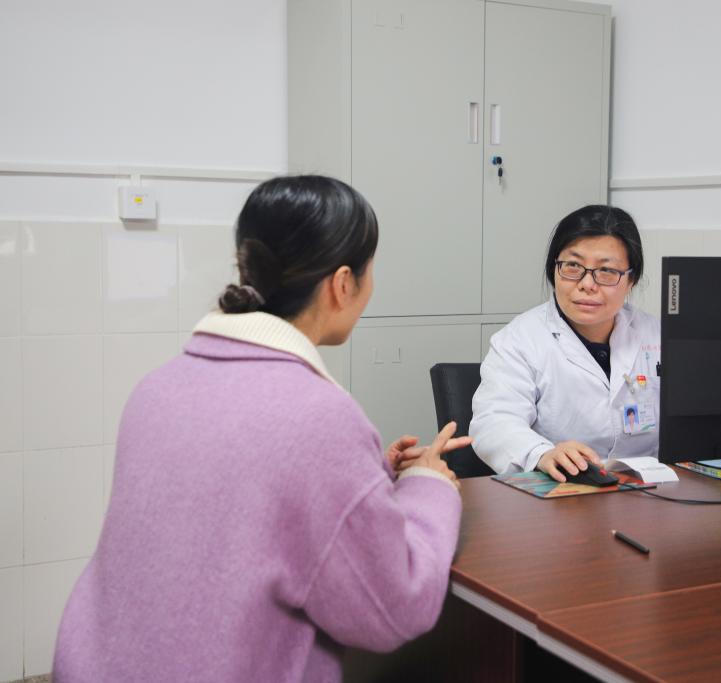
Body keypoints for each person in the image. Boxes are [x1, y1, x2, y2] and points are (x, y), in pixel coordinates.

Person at [53, 176, 467, 683]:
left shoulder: (158, 386)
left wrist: (365, 475)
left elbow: (237, 493)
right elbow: (394, 610)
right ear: (343, 283)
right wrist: (428, 486)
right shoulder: (316, 415)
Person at [469, 205, 660, 481]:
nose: (587, 284)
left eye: (606, 271)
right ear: (554, 270)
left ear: (631, 279)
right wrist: (541, 453)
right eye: (573, 267)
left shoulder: (656, 336)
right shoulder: (520, 339)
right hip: (561, 490)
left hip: (649, 490)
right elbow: (494, 421)